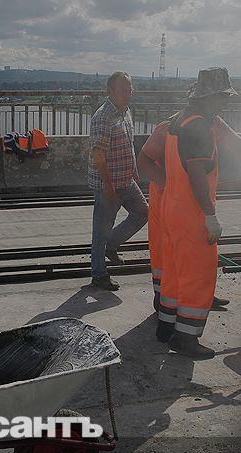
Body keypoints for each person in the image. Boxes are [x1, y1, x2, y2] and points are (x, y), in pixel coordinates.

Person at [138, 109, 241, 317]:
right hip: (167, 199)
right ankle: (165, 300)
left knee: (199, 253)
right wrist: (168, 185)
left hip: (195, 201)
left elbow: (238, 144)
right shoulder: (169, 127)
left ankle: (199, 296)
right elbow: (143, 161)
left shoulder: (214, 123)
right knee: (170, 255)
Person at [155, 67, 236, 359]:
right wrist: (210, 215)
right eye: (223, 97)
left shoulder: (179, 120)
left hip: (171, 210)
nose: (225, 103)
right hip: (192, 215)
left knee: (174, 274)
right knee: (198, 276)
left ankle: (166, 328)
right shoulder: (200, 127)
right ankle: (186, 339)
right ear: (210, 97)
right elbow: (197, 174)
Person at [88, 71, 149, 291]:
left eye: (130, 89)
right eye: (124, 90)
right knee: (101, 230)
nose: (129, 93)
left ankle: (112, 245)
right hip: (109, 183)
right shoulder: (103, 117)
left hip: (126, 180)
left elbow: (129, 144)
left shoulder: (125, 111)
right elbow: (98, 156)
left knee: (143, 212)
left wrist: (133, 169)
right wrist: (108, 186)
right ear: (110, 91)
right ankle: (98, 274)